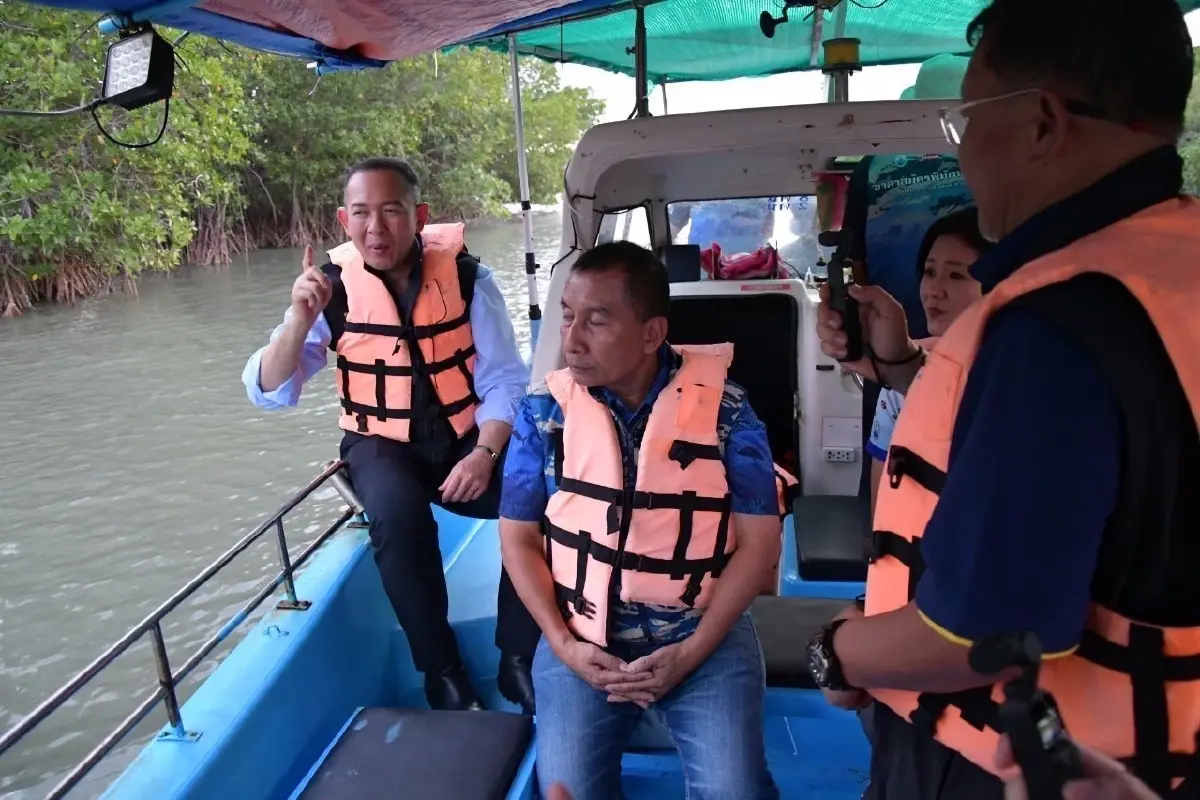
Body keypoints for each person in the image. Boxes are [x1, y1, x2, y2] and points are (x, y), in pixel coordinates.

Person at [807, 1, 1200, 798]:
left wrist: (837, 650)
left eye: (968, 121)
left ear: (1043, 125)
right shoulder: (1174, 267)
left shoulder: (1054, 326)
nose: (966, 151)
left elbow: (982, 630)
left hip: (1026, 761)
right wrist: (891, 363)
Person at [241, 157, 540, 713]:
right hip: (379, 442)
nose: (376, 227)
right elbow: (268, 389)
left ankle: (518, 658)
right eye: (362, 213)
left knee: (539, 498)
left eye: (391, 211)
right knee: (399, 517)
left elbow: (505, 380)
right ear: (343, 221)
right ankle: (442, 671)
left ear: (419, 215)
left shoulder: (471, 280)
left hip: (465, 435)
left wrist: (484, 453)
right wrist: (299, 321)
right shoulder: (330, 292)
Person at [499, 241, 782, 800]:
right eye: (567, 316)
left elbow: (760, 542)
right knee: (565, 791)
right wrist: (562, 642)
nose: (571, 339)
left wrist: (692, 651)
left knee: (735, 792)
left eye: (597, 321)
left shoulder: (728, 411)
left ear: (652, 334)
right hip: (581, 641)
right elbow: (518, 536)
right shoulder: (541, 413)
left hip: (699, 636)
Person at [842, 53, 974, 498]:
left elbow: (853, 263)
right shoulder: (983, 161)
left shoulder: (871, 166)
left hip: (888, 343)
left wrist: (859, 331)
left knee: (887, 459)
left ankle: (880, 540)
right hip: (969, 335)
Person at [865, 208, 991, 515]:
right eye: (930, 272)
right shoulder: (899, 380)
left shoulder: (1020, 375)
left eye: (956, 274)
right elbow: (880, 504)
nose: (934, 290)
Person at [668, 197, 776, 256]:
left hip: (704, 274)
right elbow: (769, 230)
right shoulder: (762, 184)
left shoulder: (692, 182)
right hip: (754, 273)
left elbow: (669, 233)